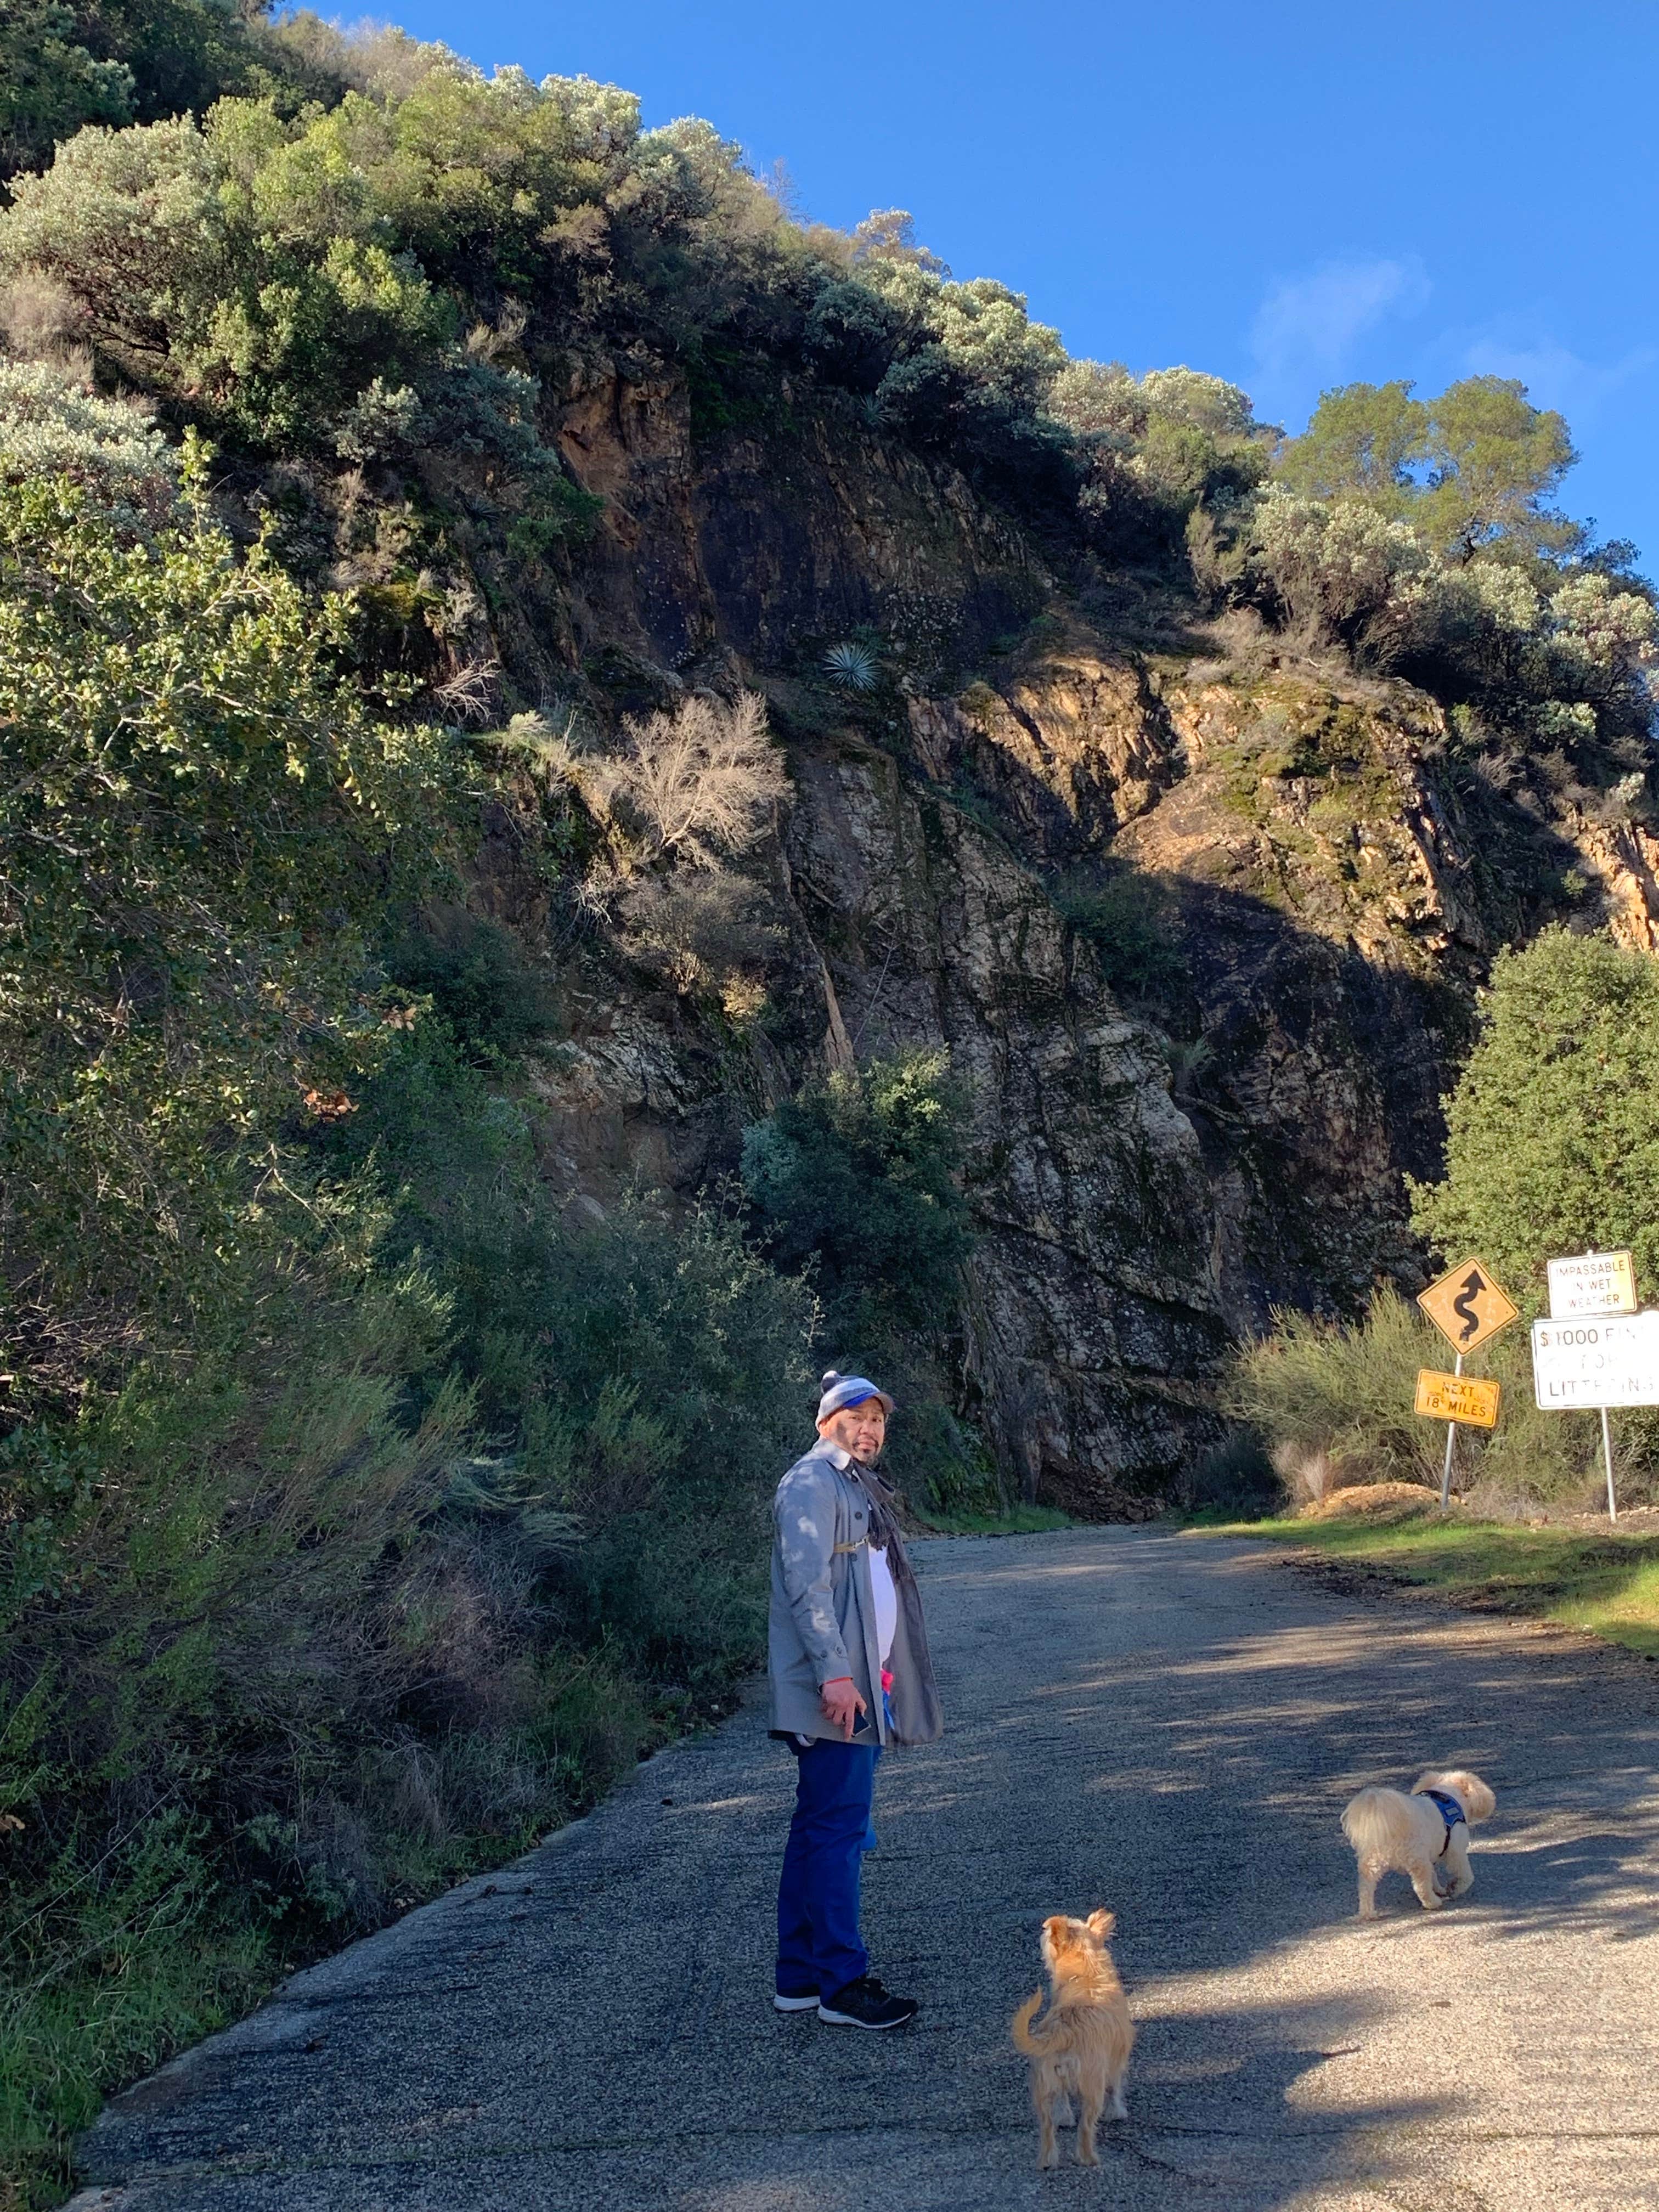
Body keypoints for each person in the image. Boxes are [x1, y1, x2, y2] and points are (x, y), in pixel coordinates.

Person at [768, 1369, 943, 2029]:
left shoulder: (850, 1481)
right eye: (856, 1417)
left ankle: (800, 1979)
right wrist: (837, 1678)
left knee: (819, 1830)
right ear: (826, 1421)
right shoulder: (812, 1482)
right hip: (835, 1692)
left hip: (860, 1687)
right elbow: (806, 1588)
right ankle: (842, 1985)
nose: (869, 1430)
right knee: (836, 1833)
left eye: (877, 1420)